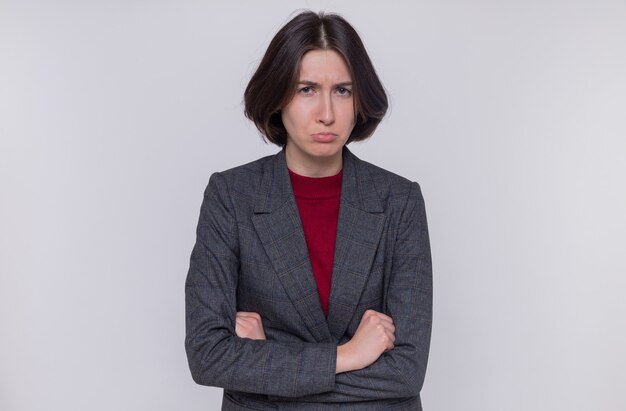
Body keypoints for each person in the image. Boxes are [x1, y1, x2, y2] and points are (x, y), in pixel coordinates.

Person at [185, 10, 432, 410]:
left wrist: (267, 368)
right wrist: (348, 354)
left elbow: (406, 370)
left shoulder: (398, 201)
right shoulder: (231, 196)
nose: (328, 114)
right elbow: (208, 355)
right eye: (306, 89)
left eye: (343, 90)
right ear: (277, 95)